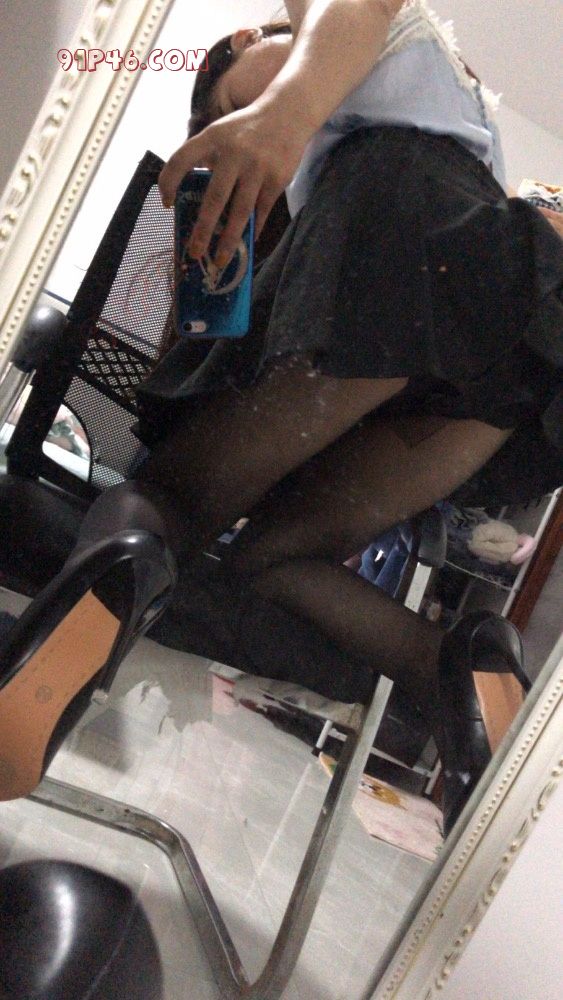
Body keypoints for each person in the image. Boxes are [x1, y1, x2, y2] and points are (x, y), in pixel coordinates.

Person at [1, 1, 561, 837]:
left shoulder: (343, 48)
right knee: (273, 555)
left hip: (417, 236)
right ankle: (462, 661)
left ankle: (108, 585)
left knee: (174, 499)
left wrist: (281, 111)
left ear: (243, 41)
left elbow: (354, 5)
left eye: (227, 104)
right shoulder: (457, 108)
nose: (239, 130)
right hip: (510, 326)